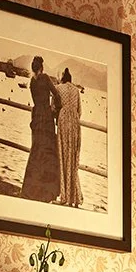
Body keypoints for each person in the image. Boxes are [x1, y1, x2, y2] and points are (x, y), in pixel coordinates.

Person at [20, 55, 62, 201]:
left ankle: (31, 188)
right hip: (46, 117)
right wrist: (55, 111)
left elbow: (36, 100)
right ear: (42, 67)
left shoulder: (32, 81)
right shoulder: (45, 78)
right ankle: (46, 191)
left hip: (36, 117)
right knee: (48, 152)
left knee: (36, 151)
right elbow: (57, 95)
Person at [54, 67, 84, 209]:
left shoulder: (58, 88)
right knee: (73, 160)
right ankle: (74, 197)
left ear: (63, 79)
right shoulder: (77, 91)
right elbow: (80, 111)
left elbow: (53, 108)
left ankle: (64, 196)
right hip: (75, 125)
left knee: (63, 157)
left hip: (64, 122)